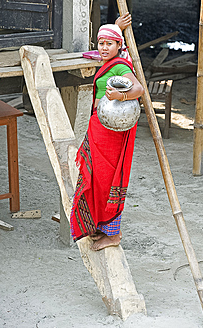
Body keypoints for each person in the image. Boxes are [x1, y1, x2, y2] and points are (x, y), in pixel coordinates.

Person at [70, 13, 144, 251]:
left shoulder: (120, 66)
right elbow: (109, 41)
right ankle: (100, 227)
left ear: (118, 46)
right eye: (100, 43)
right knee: (96, 179)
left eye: (108, 43)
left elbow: (139, 89)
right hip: (99, 128)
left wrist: (120, 95)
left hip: (111, 134)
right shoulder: (109, 61)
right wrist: (116, 27)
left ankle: (113, 235)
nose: (103, 47)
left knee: (106, 182)